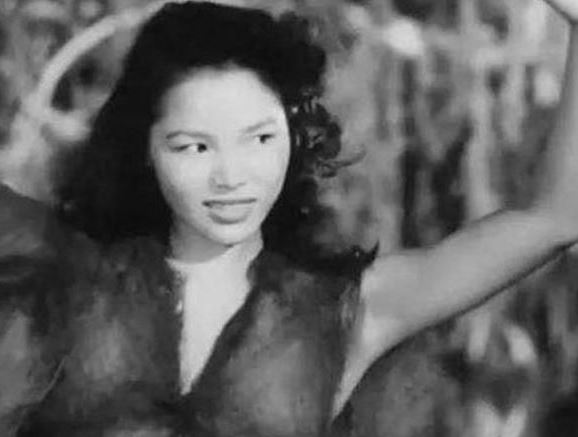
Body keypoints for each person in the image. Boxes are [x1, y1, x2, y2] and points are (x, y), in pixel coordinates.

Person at [1, 0, 578, 435]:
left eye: (259, 138)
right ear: (144, 149)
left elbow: (555, 217)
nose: (231, 176)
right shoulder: (60, 269)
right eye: (194, 147)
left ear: (296, 134)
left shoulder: (347, 312)